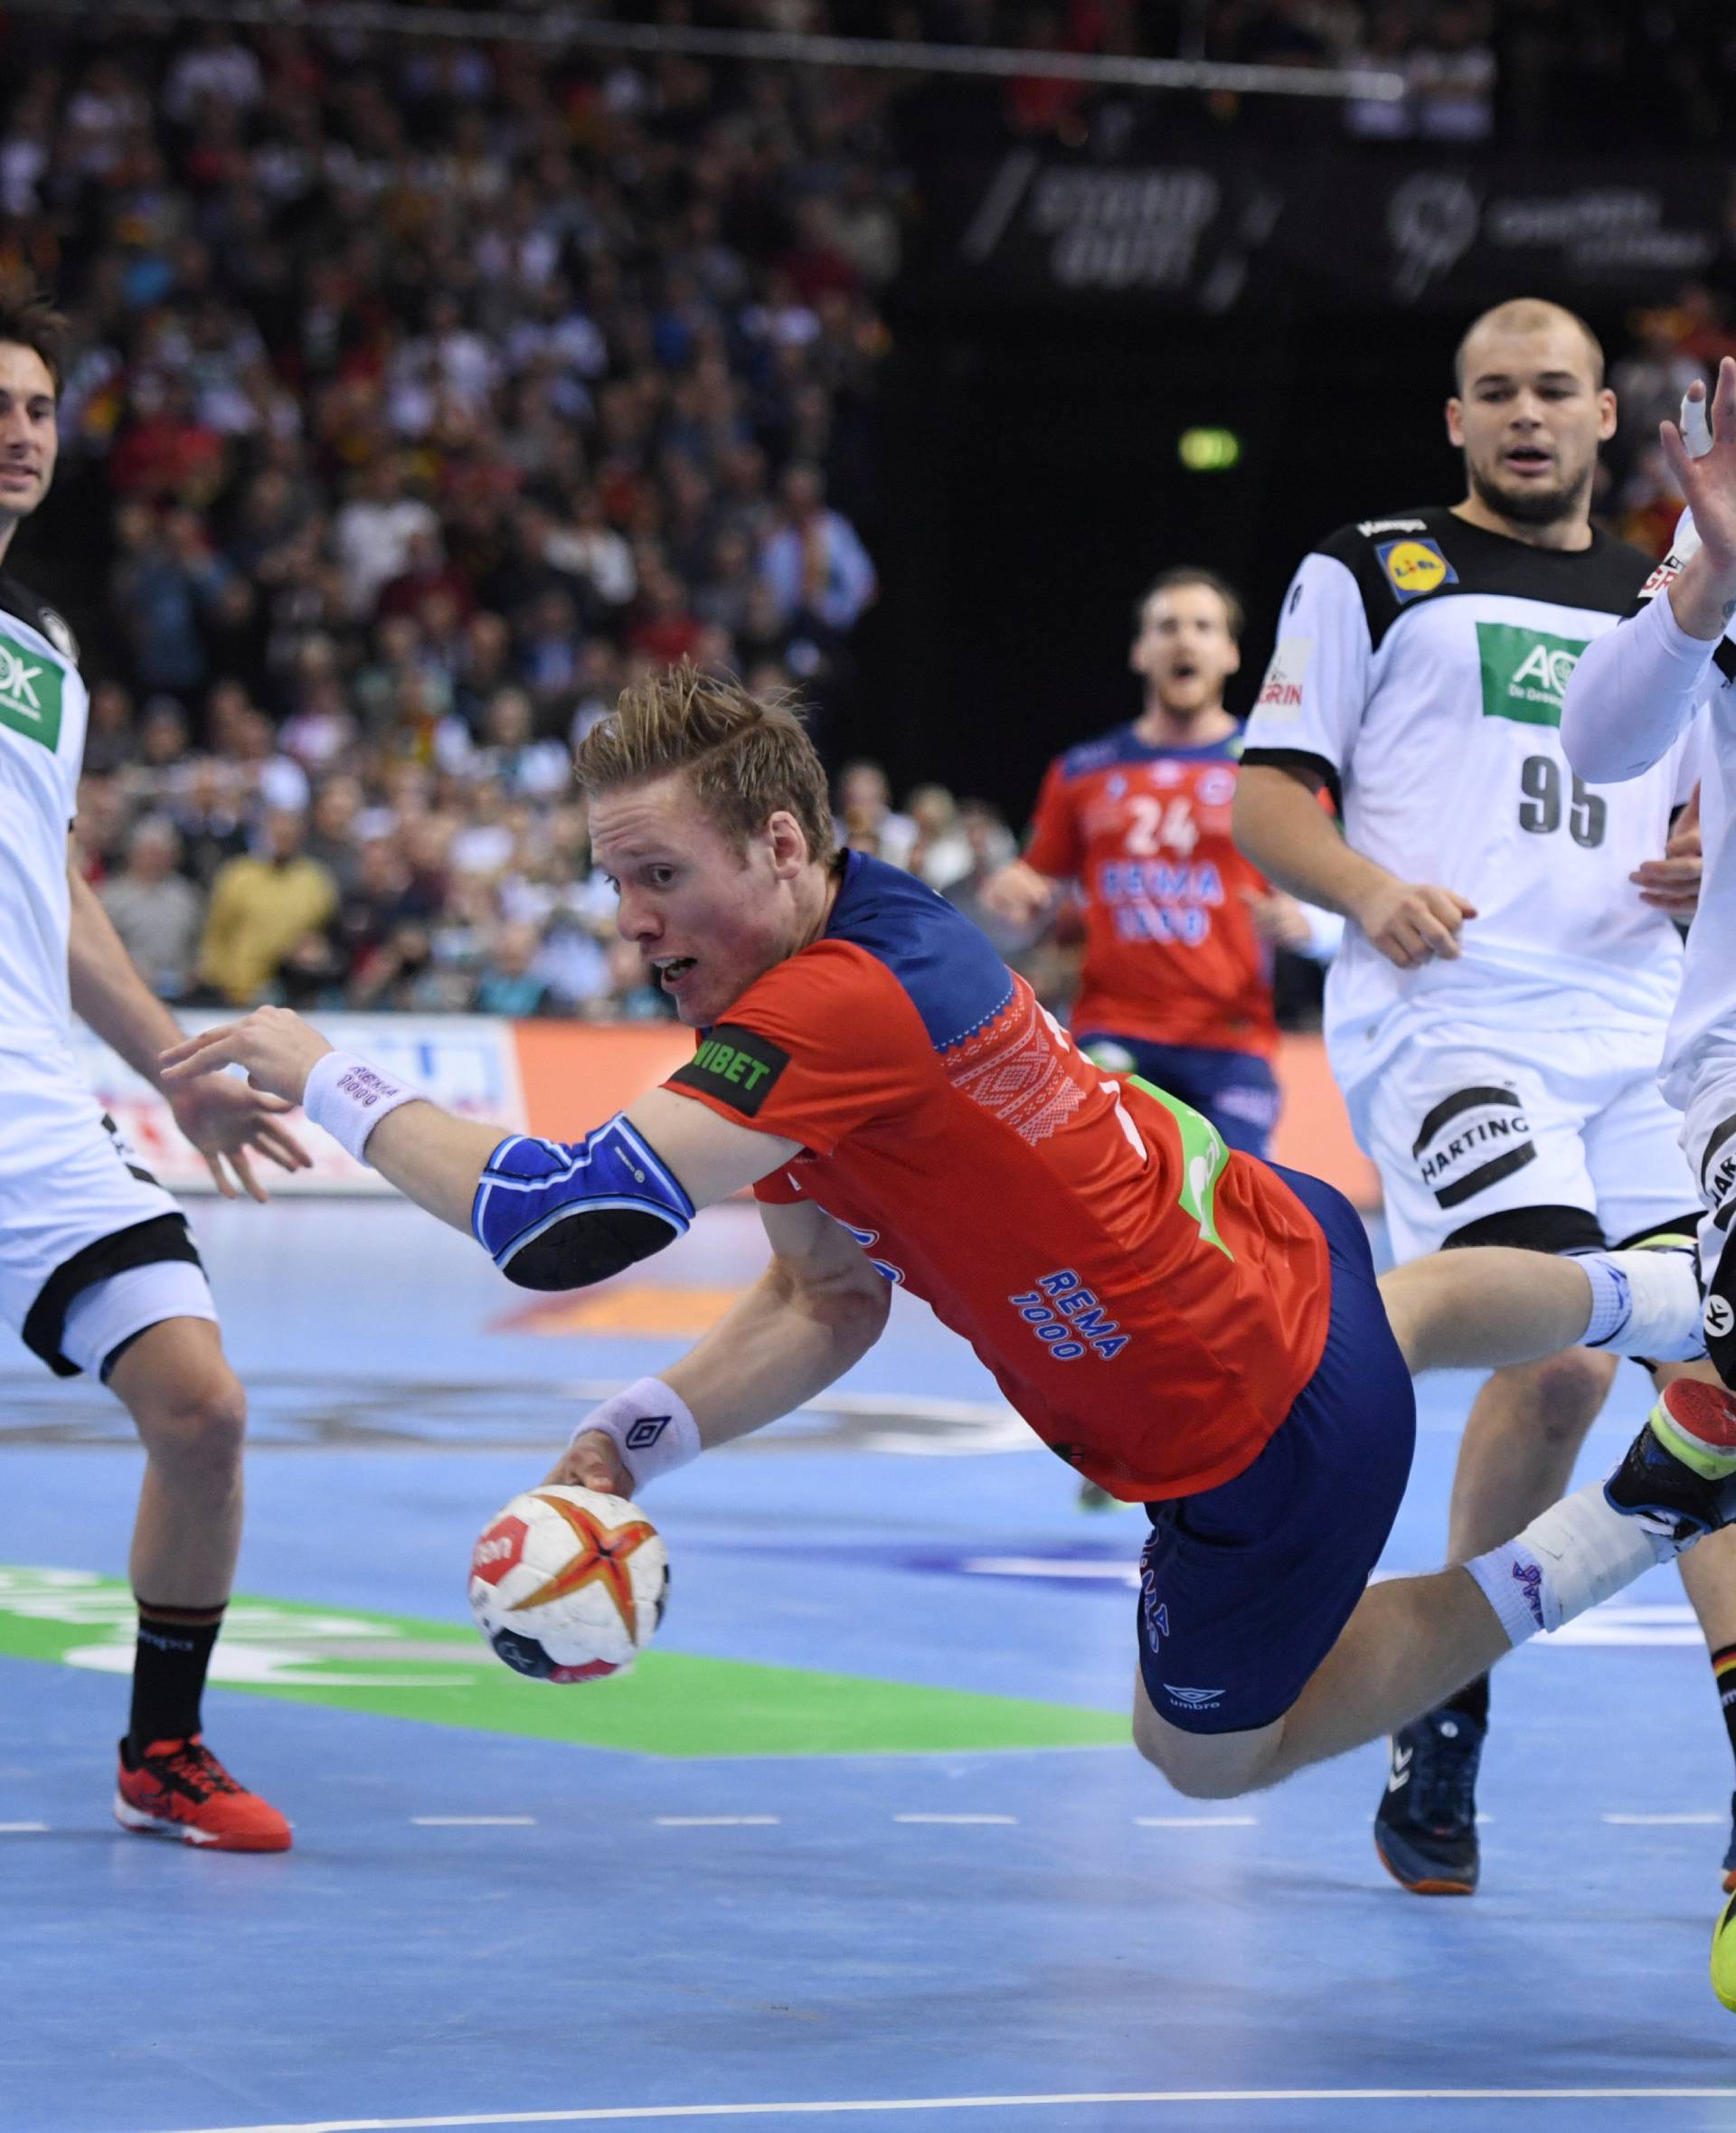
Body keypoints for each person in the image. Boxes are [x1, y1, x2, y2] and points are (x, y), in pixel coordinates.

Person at [165, 665, 1736, 1818]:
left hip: (1236, 1424)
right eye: (612, 880)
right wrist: (632, 1435)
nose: (631, 919)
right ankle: (1686, 1294)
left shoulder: (836, 1008)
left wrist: (336, 1073)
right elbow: (825, 1301)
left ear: (781, 844)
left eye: (661, 875)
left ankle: (1637, 1514)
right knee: (1384, 1314)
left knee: (1199, 1752)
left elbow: (559, 1222)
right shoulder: (840, 946)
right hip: (1270, 1241)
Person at [1231, 296, 1736, 1897]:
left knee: (1706, 1378)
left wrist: (1704, 860)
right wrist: (1366, 888)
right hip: (1452, 1013)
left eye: (1557, 390)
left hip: (1646, 1020)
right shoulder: (1372, 563)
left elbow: (1693, 779)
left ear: (1610, 419)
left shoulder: (1677, 586)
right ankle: (1447, 1690)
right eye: (1496, 391)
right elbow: (1264, 796)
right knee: (1570, 1357)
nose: (1527, 414)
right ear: (1454, 420)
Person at [0, 277, 305, 1849]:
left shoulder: (41, 648)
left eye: (38, 410)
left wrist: (174, 1060)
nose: (19, 434)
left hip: (25, 1108)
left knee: (203, 1407)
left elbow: (50, 889)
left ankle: (162, 1745)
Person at [1561, 358, 1736, 2001]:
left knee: (1723, 1393)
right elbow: (1600, 735)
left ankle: (1679, 1454)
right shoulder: (1721, 559)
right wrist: (1707, 582)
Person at [984, 568, 1331, 1168]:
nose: (1184, 641)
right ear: (1140, 651)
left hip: (1232, 1041)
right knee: (1101, 1204)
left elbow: (1335, 902)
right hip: (1113, 1034)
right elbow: (1030, 910)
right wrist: (1010, 906)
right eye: (1167, 627)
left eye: (1203, 627)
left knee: (1234, 1213)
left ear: (1230, 652)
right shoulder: (1081, 770)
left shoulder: (1273, 772)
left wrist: (1310, 925)